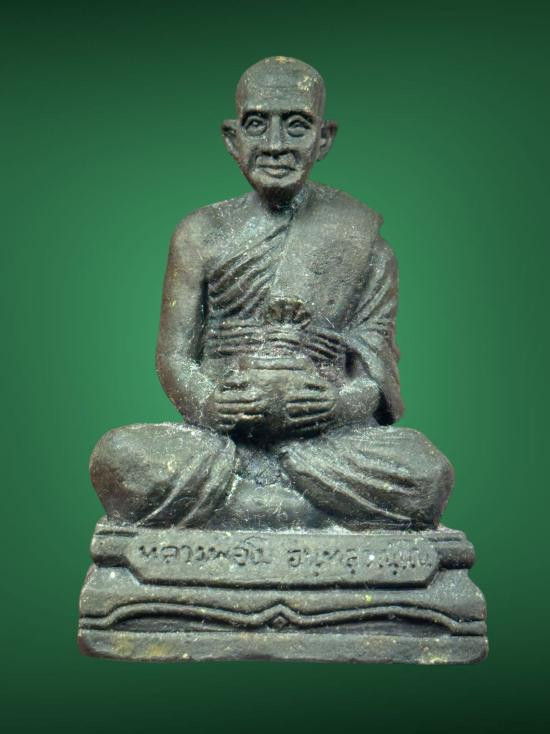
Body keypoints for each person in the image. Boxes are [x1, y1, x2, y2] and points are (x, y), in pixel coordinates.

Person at [90, 56, 453, 531]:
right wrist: (209, 405)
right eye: (257, 125)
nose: (276, 145)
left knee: (427, 474)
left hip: (325, 442)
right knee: (119, 458)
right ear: (232, 138)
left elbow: (376, 371)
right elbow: (173, 357)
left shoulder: (363, 243)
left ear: (324, 138)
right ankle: (306, 512)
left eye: (296, 126)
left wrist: (338, 406)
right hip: (223, 441)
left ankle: (248, 507)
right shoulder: (200, 234)